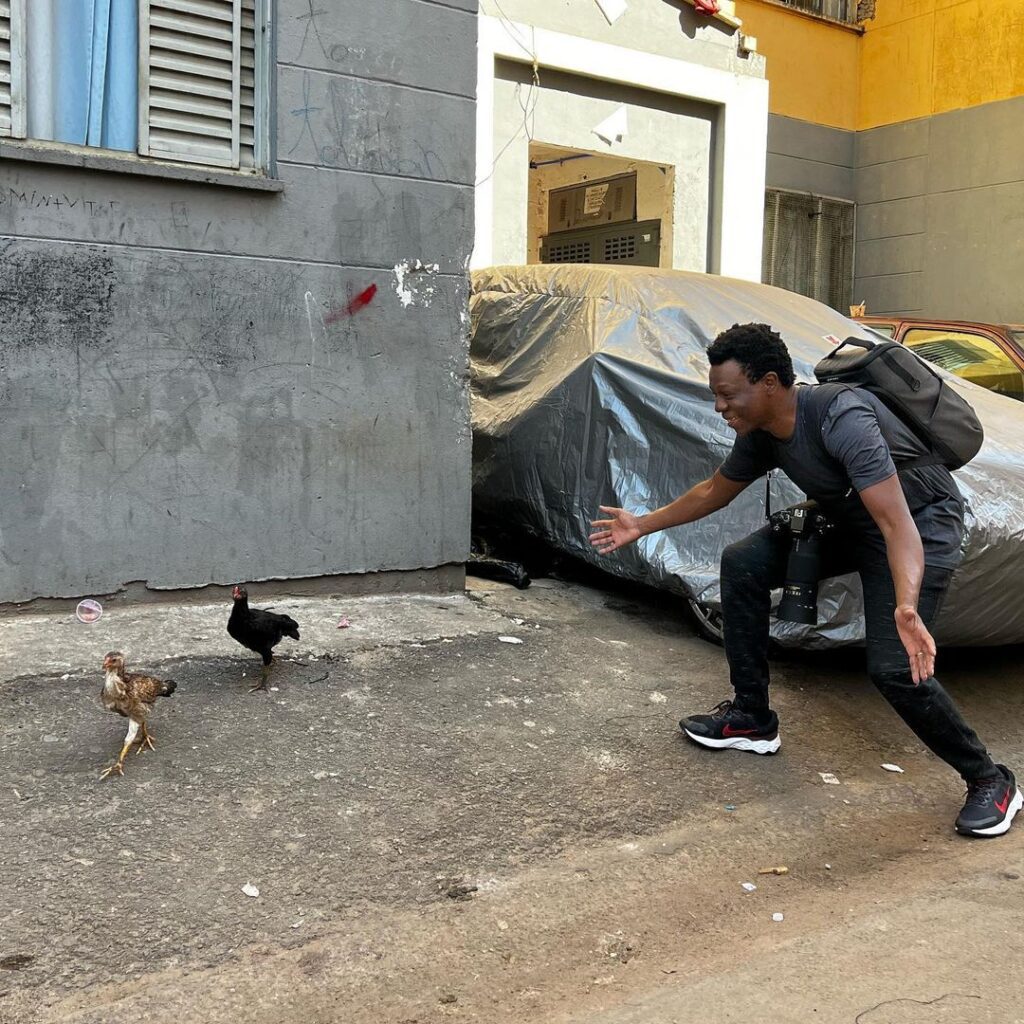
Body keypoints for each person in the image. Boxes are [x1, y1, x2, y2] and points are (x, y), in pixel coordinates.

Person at [589, 322, 1020, 838]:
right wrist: (642, 523)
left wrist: (905, 604)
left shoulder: (842, 418)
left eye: (728, 395)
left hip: (919, 524)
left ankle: (991, 779)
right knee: (743, 562)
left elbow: (896, 524)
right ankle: (752, 718)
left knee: (892, 667)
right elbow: (713, 491)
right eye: (716, 397)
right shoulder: (763, 433)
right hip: (851, 517)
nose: (720, 408)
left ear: (769, 383)